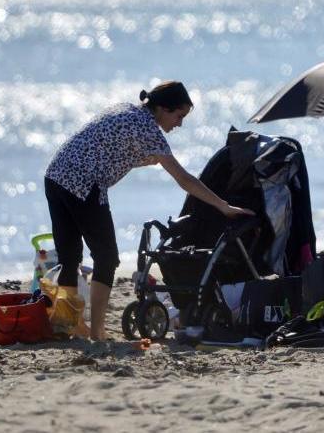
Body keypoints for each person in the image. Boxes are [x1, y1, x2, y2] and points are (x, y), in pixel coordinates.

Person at [44, 81, 253, 341]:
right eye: (179, 116)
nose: (179, 124)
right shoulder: (148, 129)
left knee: (70, 256)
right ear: (163, 109)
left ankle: (70, 324)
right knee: (107, 258)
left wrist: (146, 160)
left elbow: (110, 151)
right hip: (83, 184)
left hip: (55, 176)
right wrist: (223, 206)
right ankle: (96, 332)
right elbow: (184, 179)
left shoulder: (127, 110)